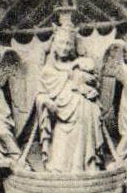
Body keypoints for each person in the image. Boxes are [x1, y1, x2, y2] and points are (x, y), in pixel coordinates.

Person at [34, 24, 107, 174]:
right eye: (61, 42)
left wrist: (89, 87)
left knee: (83, 142)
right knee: (61, 143)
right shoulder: (48, 70)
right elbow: (40, 95)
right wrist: (46, 102)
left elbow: (93, 82)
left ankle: (85, 168)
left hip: (84, 112)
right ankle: (59, 170)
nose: (65, 47)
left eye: (69, 43)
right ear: (54, 43)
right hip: (62, 114)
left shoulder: (81, 65)